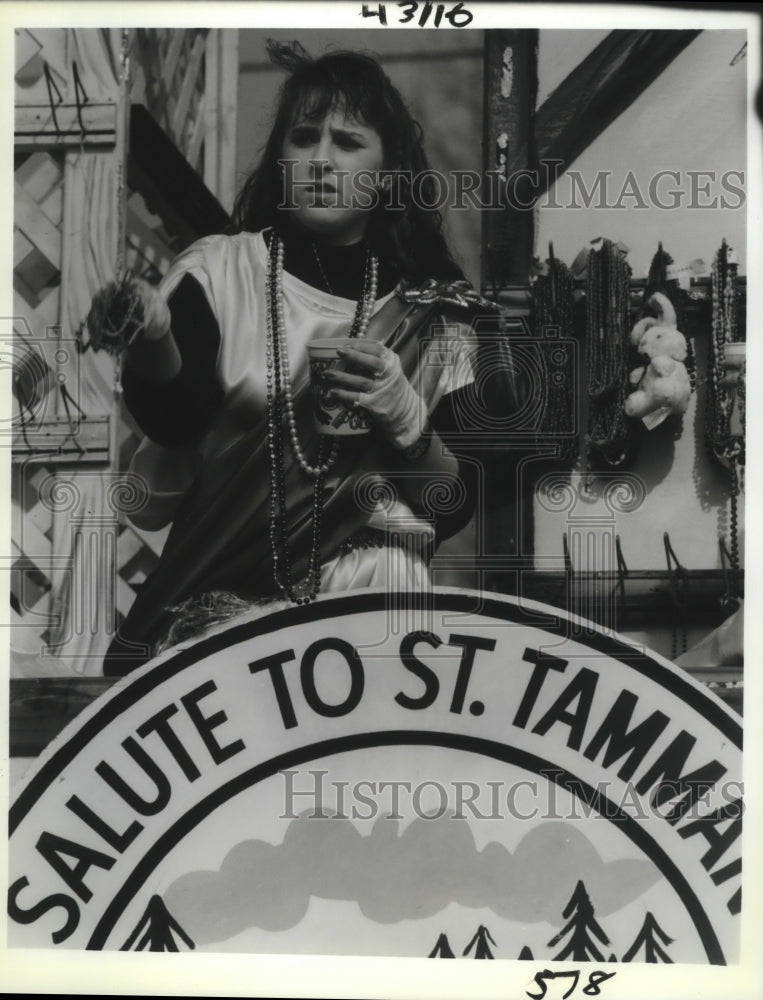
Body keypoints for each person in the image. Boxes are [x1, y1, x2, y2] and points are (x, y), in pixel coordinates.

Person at [102, 41, 510, 676]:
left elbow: (452, 505)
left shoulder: (439, 317)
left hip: (376, 626)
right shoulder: (222, 270)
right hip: (223, 625)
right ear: (280, 160)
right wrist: (155, 338)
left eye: (348, 143)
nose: (321, 160)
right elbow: (174, 420)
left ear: (388, 171)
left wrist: (407, 422)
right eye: (303, 137)